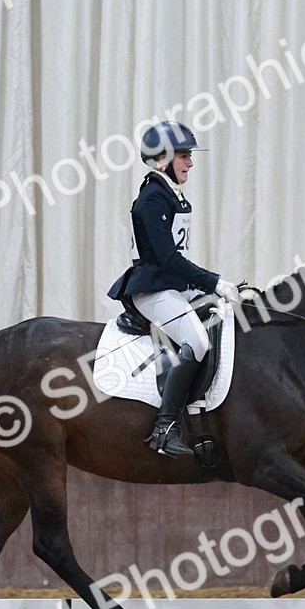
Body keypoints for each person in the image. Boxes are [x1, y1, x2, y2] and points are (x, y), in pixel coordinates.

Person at [106, 121, 241, 458]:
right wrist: (214, 281)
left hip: (173, 287)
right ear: (163, 159)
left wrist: (215, 288)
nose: (190, 163)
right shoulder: (152, 198)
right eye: (184, 156)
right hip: (153, 290)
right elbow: (167, 259)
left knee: (223, 314)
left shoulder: (170, 194)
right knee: (196, 340)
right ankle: (164, 429)